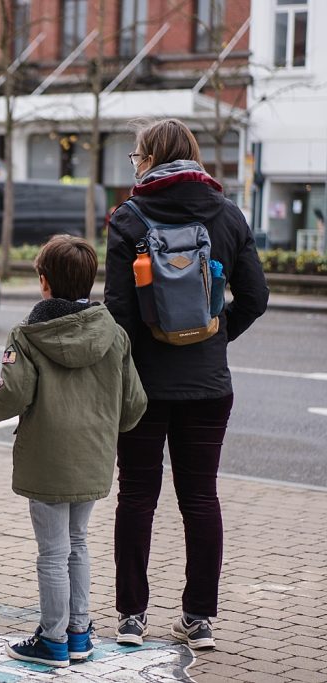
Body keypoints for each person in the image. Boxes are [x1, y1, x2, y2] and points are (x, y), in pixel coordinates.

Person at [106, 119, 268, 650]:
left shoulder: (129, 217)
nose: (136, 164)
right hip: (208, 385)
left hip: (144, 386)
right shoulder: (227, 213)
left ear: (150, 158)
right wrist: (213, 338)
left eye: (137, 156)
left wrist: (146, 349)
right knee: (200, 499)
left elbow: (118, 311)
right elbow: (255, 296)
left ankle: (132, 617)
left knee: (136, 497)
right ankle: (198, 619)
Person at [0, 235, 148, 668]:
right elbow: (134, 405)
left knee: (52, 553)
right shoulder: (114, 333)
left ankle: (52, 640)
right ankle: (79, 632)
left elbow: (9, 398)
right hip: (93, 458)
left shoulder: (28, 335)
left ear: (43, 282)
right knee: (78, 544)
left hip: (47, 459)